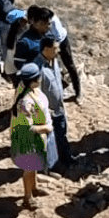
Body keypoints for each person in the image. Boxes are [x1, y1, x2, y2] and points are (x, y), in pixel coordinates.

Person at [10, 63, 54, 210]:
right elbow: (27, 127)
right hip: (27, 140)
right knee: (28, 169)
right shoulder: (25, 101)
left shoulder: (26, 88)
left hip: (35, 139)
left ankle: (34, 188)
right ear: (34, 80)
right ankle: (27, 198)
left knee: (33, 166)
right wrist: (46, 127)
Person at [35, 36, 72, 168]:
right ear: (46, 49)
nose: (59, 50)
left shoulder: (54, 61)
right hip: (48, 113)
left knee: (62, 134)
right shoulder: (38, 68)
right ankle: (52, 167)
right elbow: (35, 93)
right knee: (50, 141)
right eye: (55, 48)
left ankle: (67, 159)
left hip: (59, 108)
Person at [44, 7, 82, 101]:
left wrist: (52, 51)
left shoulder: (54, 22)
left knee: (70, 65)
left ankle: (78, 92)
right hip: (48, 42)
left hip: (61, 43)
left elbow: (58, 38)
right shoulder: (40, 19)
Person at [13, 5, 50, 73]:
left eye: (48, 23)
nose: (47, 27)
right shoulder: (24, 42)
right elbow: (18, 64)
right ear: (35, 23)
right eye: (44, 24)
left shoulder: (46, 36)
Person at [3, 8, 27, 86]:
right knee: (23, 91)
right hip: (16, 70)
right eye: (24, 19)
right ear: (20, 22)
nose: (26, 20)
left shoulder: (12, 33)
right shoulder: (19, 37)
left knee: (19, 90)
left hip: (10, 70)